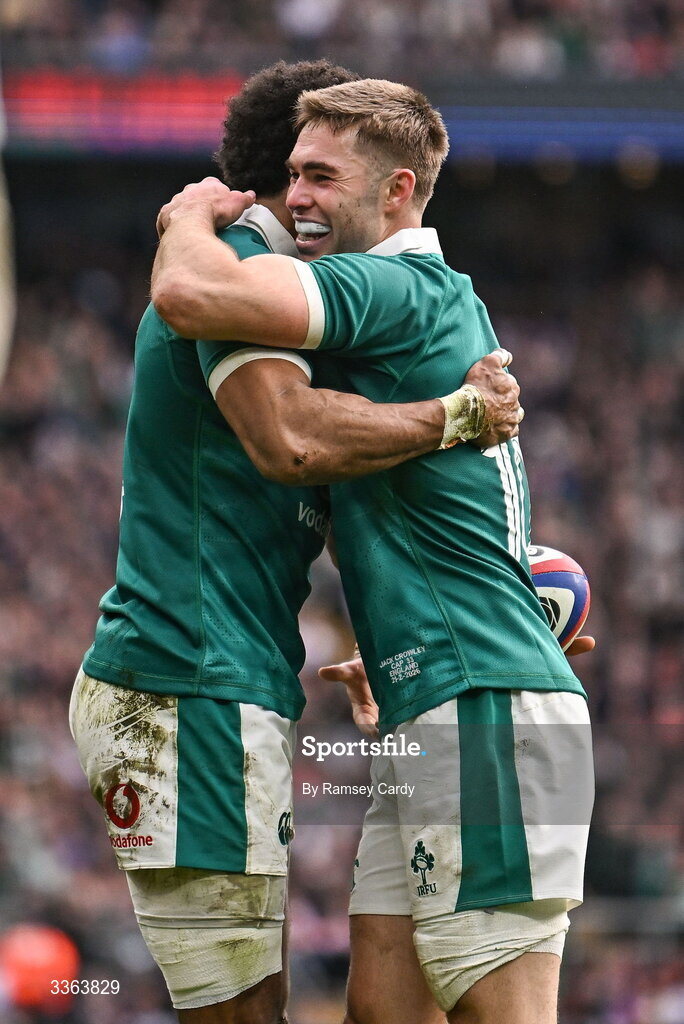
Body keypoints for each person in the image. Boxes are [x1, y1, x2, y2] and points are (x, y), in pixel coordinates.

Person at [69, 63, 521, 1024]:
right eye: (306, 176)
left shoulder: (286, 292)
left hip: (217, 679)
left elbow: (346, 489)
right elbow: (294, 441)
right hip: (187, 680)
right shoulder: (236, 269)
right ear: (284, 182)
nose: (315, 200)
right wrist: (456, 415)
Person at [152, 78, 595, 1024]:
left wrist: (188, 214)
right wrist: (403, 643)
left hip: (483, 704)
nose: (297, 196)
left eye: (321, 176)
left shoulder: (394, 284)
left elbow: (191, 293)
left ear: (397, 191)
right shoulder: (413, 308)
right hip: (436, 696)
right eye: (292, 174)